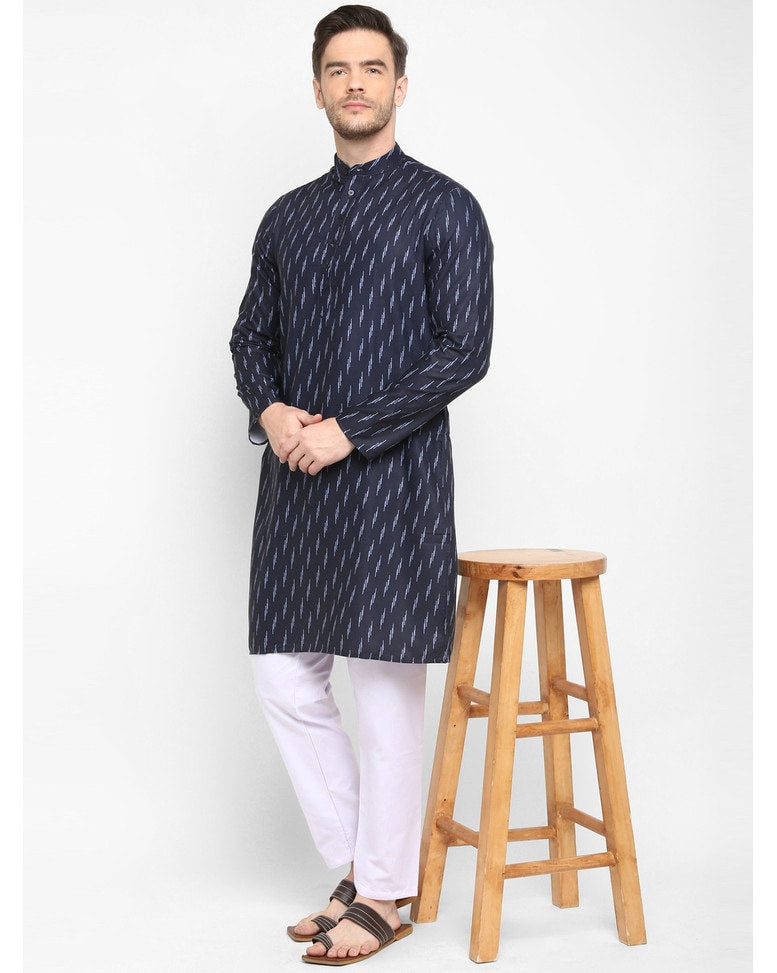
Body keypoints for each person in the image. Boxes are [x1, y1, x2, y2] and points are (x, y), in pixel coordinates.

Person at [229, 5, 493, 965]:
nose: (354, 83)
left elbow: (463, 349)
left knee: (383, 688)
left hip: (392, 477)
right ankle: (367, 868)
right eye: (337, 69)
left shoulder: (444, 206)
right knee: (283, 674)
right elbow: (251, 336)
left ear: (398, 86)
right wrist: (271, 411)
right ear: (317, 89)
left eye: (371, 68)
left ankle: (380, 892)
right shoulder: (287, 215)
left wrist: (352, 429)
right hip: (298, 480)